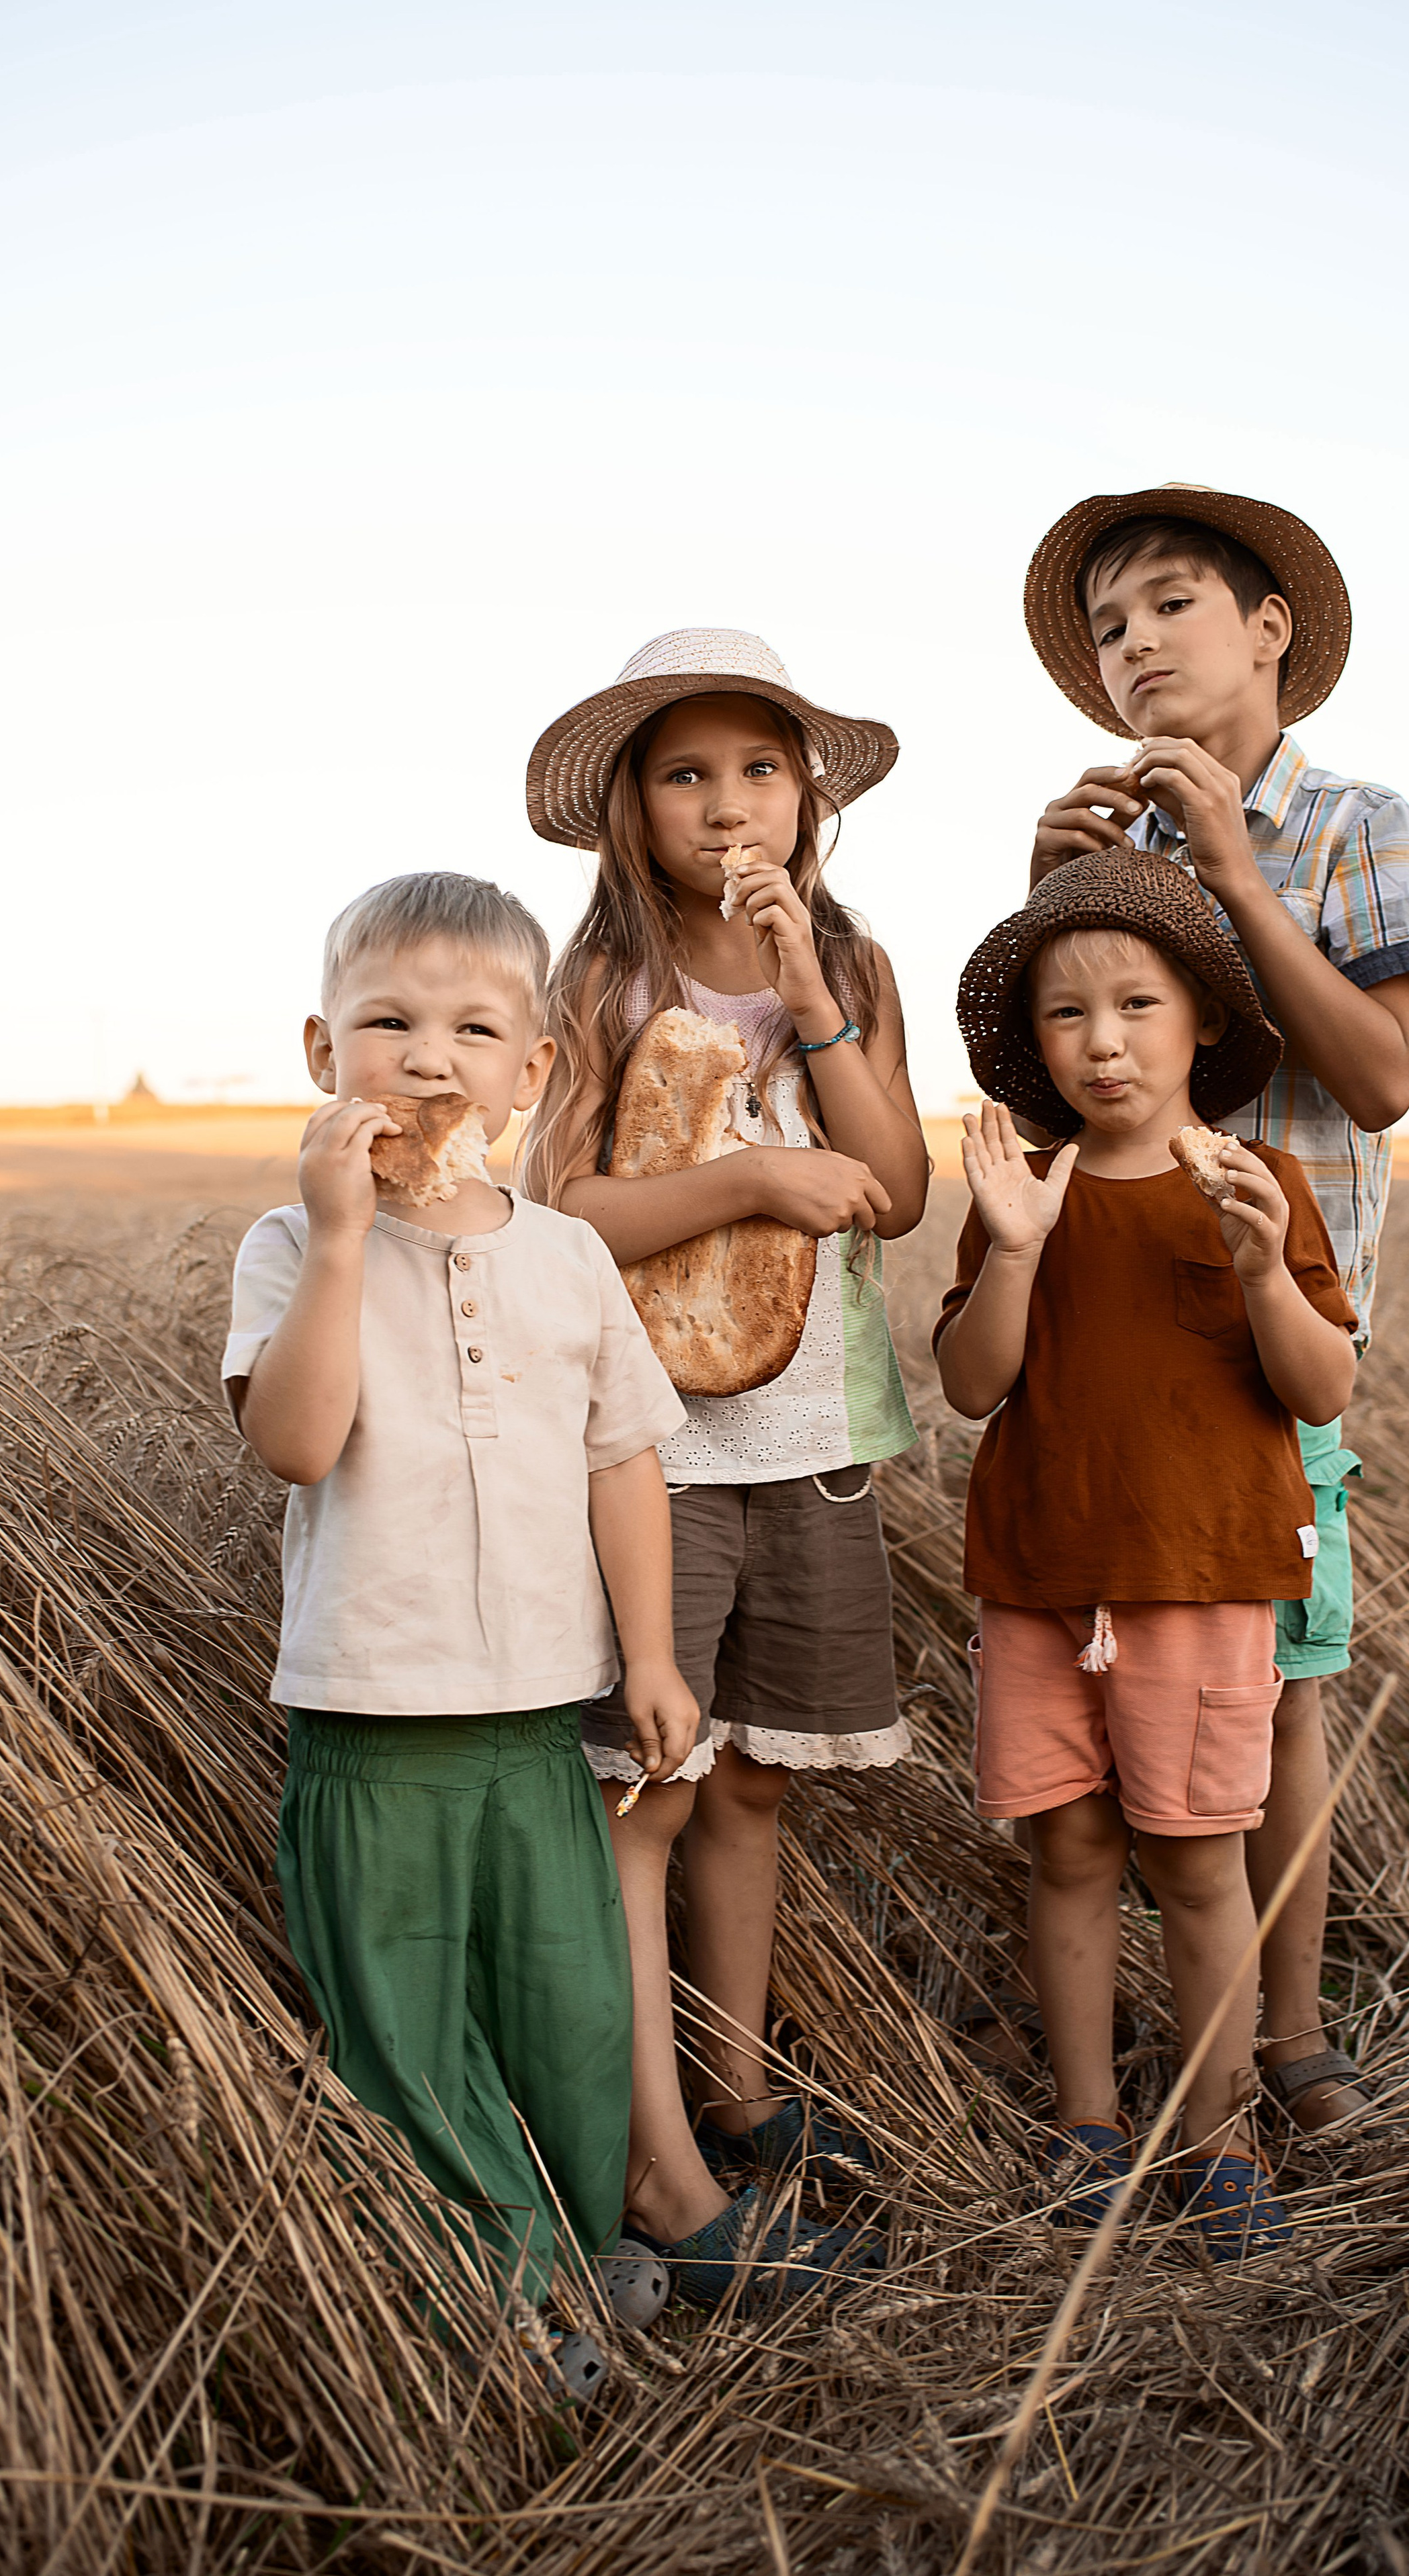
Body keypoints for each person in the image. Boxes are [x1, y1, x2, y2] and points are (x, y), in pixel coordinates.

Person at [1022, 483, 1409, 2133]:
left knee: (1278, 1695)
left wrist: (1230, 872)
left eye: (1168, 605)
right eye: (1106, 627)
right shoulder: (1103, 848)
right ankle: (1164, 2042)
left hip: (1277, 1348)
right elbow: (1057, 1099)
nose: (1132, 645)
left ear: (1268, 627)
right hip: (1113, 1348)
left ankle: (1288, 2036)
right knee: (1119, 1708)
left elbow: (1382, 1076)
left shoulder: (1357, 821)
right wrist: (1040, 900)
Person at [222, 870, 697, 2339]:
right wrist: (343, 1233)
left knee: (571, 2009)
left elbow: (621, 1460)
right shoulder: (290, 1245)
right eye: (390, 1024)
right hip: (375, 1723)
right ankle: (499, 2291)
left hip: (537, 1716)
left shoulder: (566, 1254)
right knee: (407, 2027)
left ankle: (577, 2234)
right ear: (323, 1052)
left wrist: (652, 1655)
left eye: (474, 1030)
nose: (431, 1061)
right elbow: (297, 1444)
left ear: (530, 1070)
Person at [525, 629, 929, 2299]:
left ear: (805, 796)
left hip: (816, 1439)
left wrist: (813, 998)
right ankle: (656, 2172)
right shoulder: (600, 984)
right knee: (650, 1786)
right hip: (656, 1454)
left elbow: (898, 1185)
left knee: (753, 1777)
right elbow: (559, 1212)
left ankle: (738, 2092)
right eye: (684, 774)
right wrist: (752, 1182)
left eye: (758, 769)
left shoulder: (853, 964)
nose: (725, 804)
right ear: (630, 807)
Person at [935, 852, 1357, 2256]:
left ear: (1202, 1021)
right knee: (1064, 1848)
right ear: (1036, 1045)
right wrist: (1012, 1249)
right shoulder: (1023, 1191)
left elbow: (1321, 1386)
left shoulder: (1257, 1183)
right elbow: (972, 1386)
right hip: (1041, 1574)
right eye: (1066, 1015)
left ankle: (1220, 2135)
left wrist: (1259, 1269)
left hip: (1200, 1578)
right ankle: (1086, 2125)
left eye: (1135, 1005)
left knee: (1194, 1861)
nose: (1102, 1041)